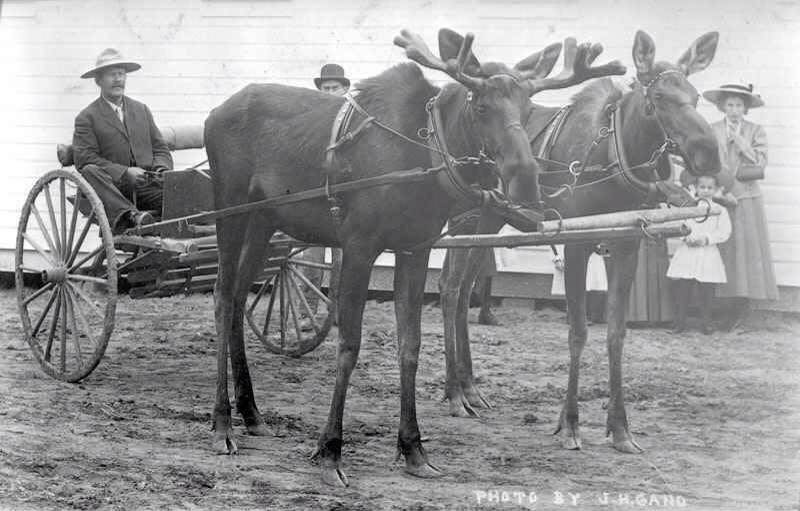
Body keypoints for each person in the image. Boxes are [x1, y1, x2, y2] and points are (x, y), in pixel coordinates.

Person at [702, 83, 778, 330]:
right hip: (720, 196)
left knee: (744, 252)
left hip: (746, 197)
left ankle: (740, 307)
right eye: (730, 105)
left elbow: (761, 163)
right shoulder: (712, 129)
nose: (734, 110)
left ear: (745, 108)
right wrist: (717, 190)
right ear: (722, 106)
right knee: (722, 249)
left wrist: (741, 142)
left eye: (739, 105)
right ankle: (719, 306)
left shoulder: (755, 131)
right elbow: (707, 161)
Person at [73, 48, 172, 233]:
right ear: (98, 81)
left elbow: (160, 148)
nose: (118, 79)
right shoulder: (87, 117)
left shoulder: (141, 110)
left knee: (186, 196)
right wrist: (125, 172)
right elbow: (84, 158)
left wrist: (161, 169)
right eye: (112, 75)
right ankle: (130, 215)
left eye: (121, 74)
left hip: (147, 185)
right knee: (89, 170)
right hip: (113, 188)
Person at [666, 174, 732, 334]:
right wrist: (686, 237)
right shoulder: (688, 208)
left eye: (710, 188)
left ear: (716, 190)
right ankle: (679, 322)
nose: (706, 191)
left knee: (707, 290)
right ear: (695, 188)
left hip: (707, 253)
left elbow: (724, 231)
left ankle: (706, 323)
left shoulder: (719, 210)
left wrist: (706, 239)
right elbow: (680, 224)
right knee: (683, 288)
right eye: (702, 187)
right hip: (688, 252)